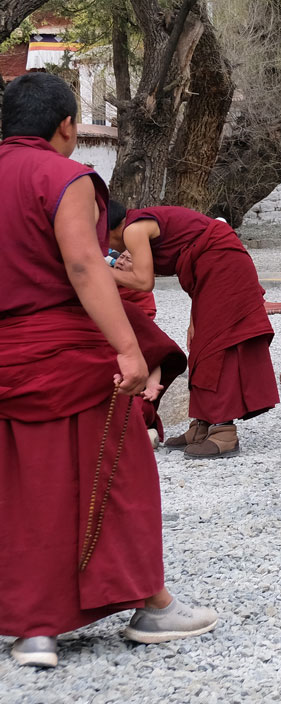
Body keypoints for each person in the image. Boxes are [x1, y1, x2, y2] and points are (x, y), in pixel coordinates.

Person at [1, 72, 216, 668]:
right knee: (121, 474)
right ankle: (151, 605)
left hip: (8, 356)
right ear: (65, 125)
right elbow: (81, 263)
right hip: (65, 351)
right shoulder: (64, 177)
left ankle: (34, 630)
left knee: (26, 486)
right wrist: (127, 347)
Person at [109, 202, 279, 460]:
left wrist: (101, 272)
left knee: (218, 343)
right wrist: (194, 316)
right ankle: (202, 423)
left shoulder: (132, 229)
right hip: (208, 272)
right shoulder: (137, 224)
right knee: (200, 343)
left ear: (109, 230)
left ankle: (223, 430)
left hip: (224, 265)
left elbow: (143, 282)